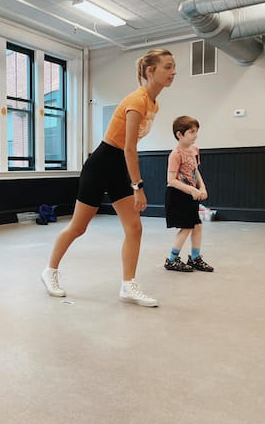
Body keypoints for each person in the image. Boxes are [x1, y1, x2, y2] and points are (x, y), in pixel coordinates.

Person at [41, 48, 177, 307]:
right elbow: (128, 148)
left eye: (173, 67)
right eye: (168, 67)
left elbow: (127, 151)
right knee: (78, 227)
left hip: (116, 167)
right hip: (101, 165)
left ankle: (128, 285)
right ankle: (50, 271)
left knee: (134, 227)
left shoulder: (154, 102)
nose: (173, 72)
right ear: (151, 71)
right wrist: (138, 186)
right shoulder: (137, 101)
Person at [164, 116, 214, 272]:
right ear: (180, 134)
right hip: (178, 195)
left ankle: (194, 258)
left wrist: (202, 188)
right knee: (186, 227)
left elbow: (195, 170)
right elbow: (171, 180)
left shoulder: (194, 150)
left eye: (196, 131)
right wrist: (191, 190)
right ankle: (172, 260)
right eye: (192, 132)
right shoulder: (175, 154)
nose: (195, 135)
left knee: (197, 226)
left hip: (191, 195)